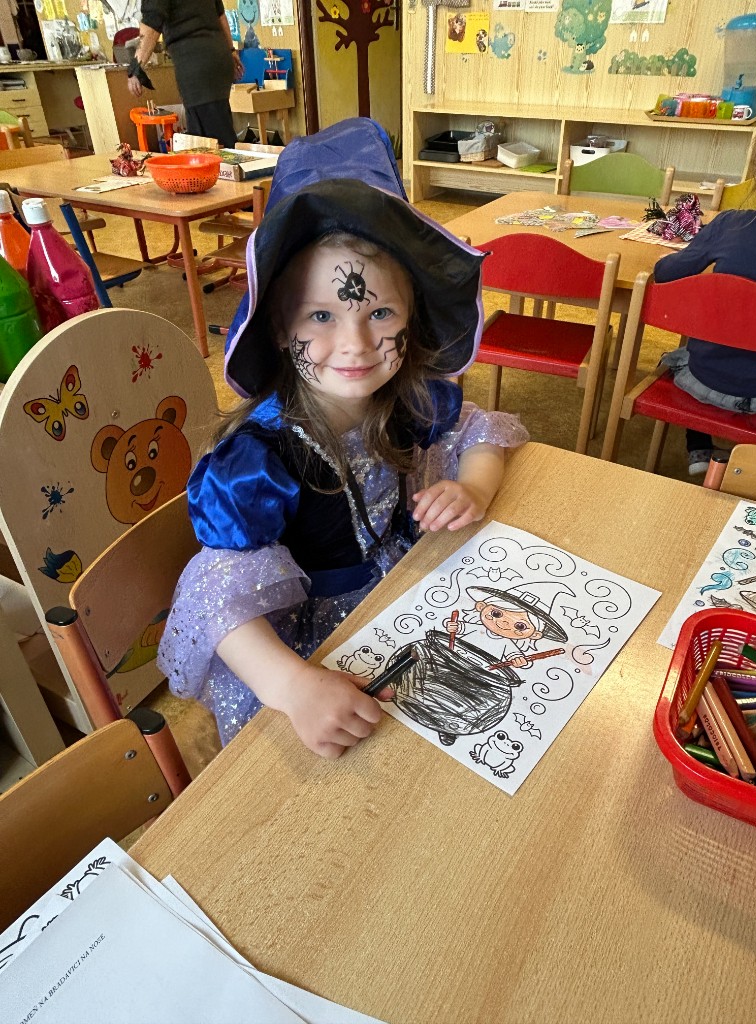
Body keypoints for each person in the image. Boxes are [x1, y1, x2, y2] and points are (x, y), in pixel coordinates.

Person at [157, 177, 529, 756]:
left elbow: (479, 430)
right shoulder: (258, 461)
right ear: (280, 328)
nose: (355, 343)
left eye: (379, 312)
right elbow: (214, 593)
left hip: (403, 595)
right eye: (321, 316)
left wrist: (474, 487)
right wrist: (292, 687)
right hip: (309, 650)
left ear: (411, 320)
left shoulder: (406, 399)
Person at [655, 118, 756, 476]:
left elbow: (665, 274)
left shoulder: (731, 224)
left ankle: (699, 448)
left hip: (708, 381)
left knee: (681, 353)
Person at [128, 1, 244, 147]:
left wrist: (136, 68)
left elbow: (151, 25)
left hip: (196, 65)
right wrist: (231, 50)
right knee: (219, 128)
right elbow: (220, 15)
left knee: (211, 142)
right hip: (218, 59)